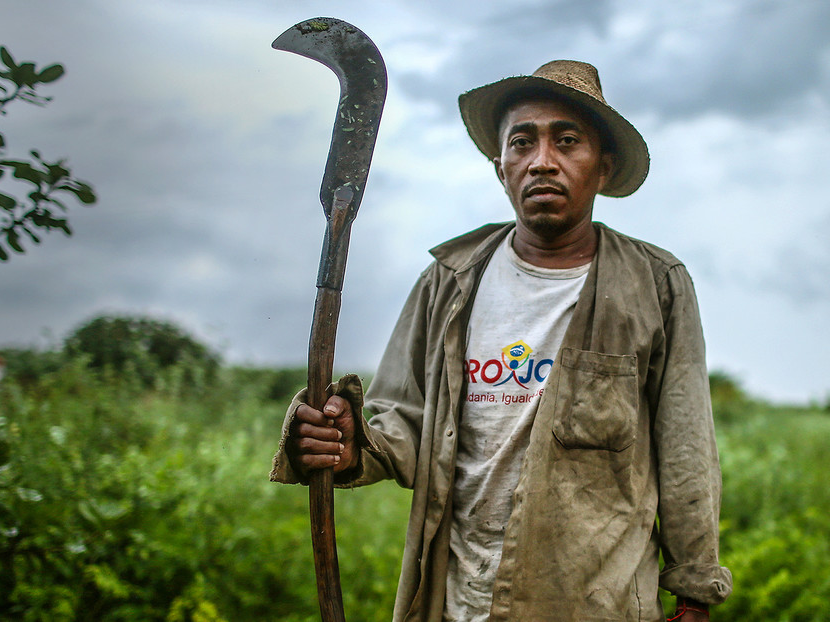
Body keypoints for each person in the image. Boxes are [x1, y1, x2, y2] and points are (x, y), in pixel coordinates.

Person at [271, 60, 732, 622]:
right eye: (522, 142)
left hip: (593, 601)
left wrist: (694, 588)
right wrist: (347, 442)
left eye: (568, 141)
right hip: (457, 598)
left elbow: (686, 448)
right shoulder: (449, 280)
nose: (543, 161)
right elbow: (403, 419)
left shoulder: (654, 284)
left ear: (603, 168)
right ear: (500, 168)